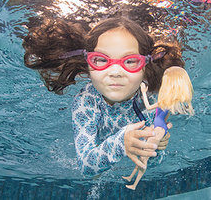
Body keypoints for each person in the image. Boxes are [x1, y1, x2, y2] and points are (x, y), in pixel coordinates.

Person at [23, 17, 184, 177]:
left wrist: (154, 144)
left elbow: (153, 162)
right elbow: (86, 166)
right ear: (88, 63)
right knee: (96, 175)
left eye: (130, 61)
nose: (115, 72)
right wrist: (121, 143)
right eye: (100, 60)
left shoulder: (148, 98)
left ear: (145, 66)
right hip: (99, 146)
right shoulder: (86, 101)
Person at [123, 66, 194, 189]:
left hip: (159, 129)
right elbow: (164, 117)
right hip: (159, 128)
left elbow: (149, 107)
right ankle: (130, 177)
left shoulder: (165, 101)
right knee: (142, 155)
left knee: (143, 158)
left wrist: (144, 92)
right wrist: (164, 127)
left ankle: (134, 185)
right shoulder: (168, 101)